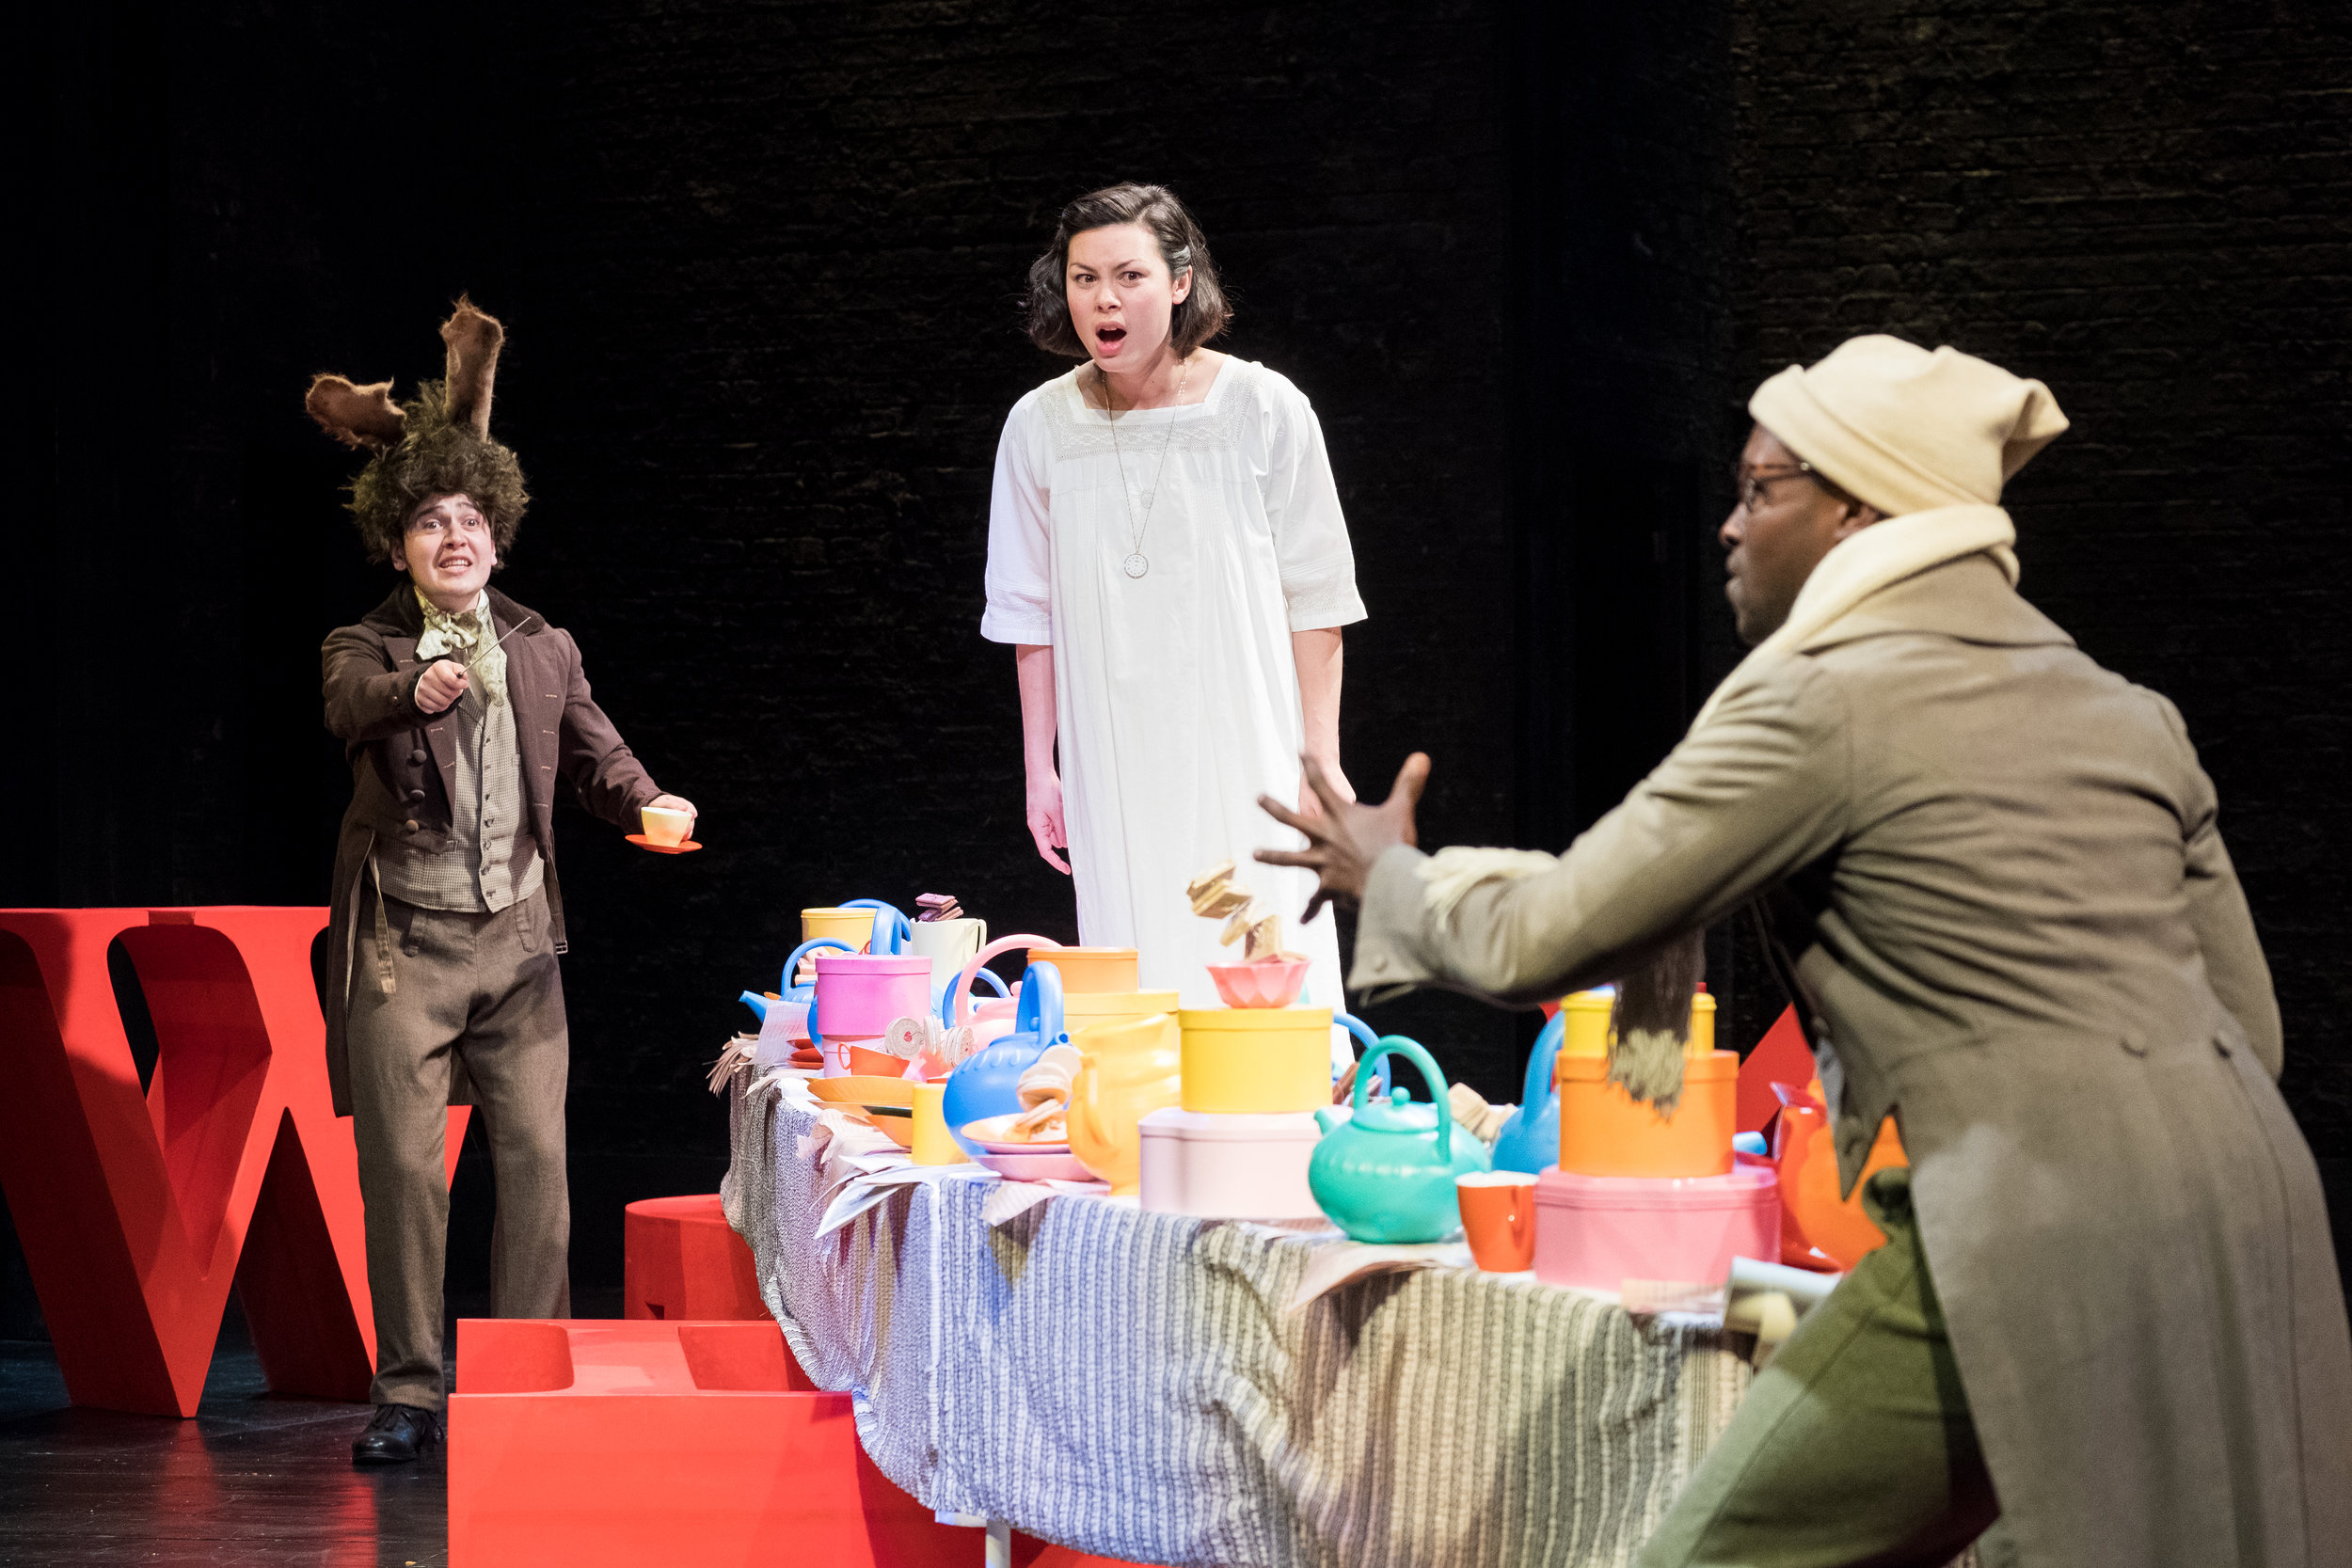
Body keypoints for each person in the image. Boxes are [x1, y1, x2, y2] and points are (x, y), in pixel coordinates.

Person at [1259, 336, 2352, 1566]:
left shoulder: (1822, 698)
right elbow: (2247, 1023)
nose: (1731, 523)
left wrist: (1385, 870)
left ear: (1857, 512)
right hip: (2248, 1196)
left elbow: (1552, 929)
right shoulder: (2126, 710)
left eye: (1761, 489)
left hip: (2025, 1217)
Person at [310, 302, 697, 1465]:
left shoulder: (542, 643)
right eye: (429, 523)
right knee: (405, 1178)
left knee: (537, 1166)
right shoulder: (363, 646)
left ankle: (526, 1376)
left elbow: (595, 753)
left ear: (499, 533)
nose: (453, 536)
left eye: (470, 518)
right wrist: (407, 689)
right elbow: (347, 709)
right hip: (404, 949)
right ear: (398, 547)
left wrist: (646, 803)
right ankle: (410, 1390)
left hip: (521, 950)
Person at [983, 182, 1366, 1008]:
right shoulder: (1039, 426)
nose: (1104, 299)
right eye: (1083, 278)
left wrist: (1320, 761)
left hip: (1247, 742)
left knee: (1264, 951)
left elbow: (1319, 596)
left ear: (1181, 280)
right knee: (1137, 954)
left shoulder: (1264, 408)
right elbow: (1026, 612)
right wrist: (1039, 768)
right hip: (1112, 753)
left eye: (1128, 275)